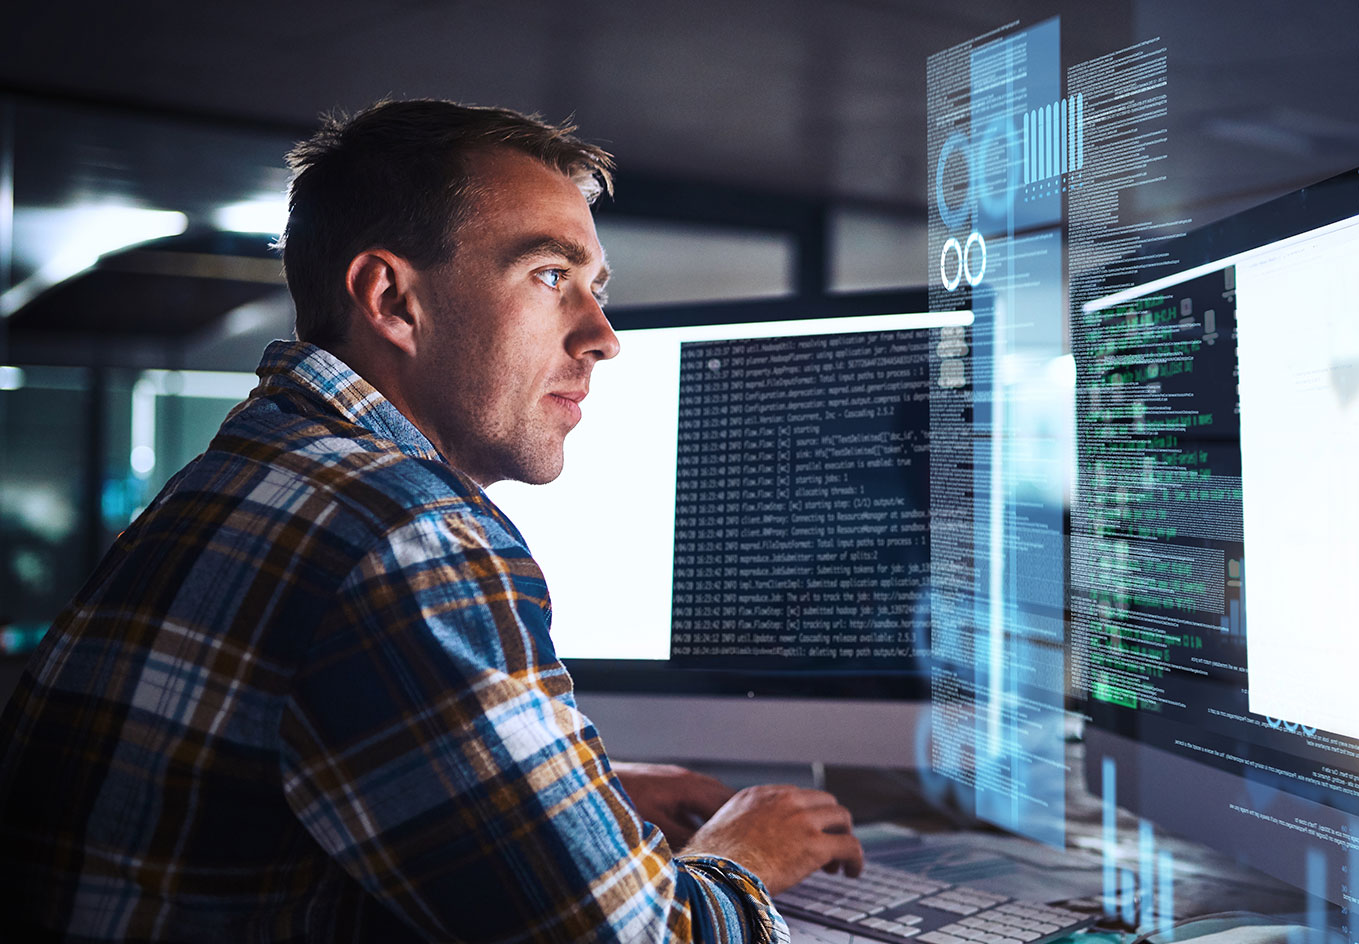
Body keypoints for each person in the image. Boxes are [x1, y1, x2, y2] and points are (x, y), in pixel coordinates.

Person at [0, 99, 862, 942]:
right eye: (550, 276)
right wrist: (743, 851)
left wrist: (581, 796)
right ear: (391, 300)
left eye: (594, 288)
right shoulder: (408, 533)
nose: (603, 336)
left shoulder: (244, 477)